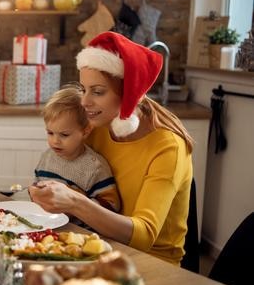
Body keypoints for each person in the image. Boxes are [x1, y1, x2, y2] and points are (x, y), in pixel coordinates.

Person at [29, 32, 193, 265]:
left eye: (97, 92)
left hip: (150, 263)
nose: (85, 102)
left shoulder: (168, 148)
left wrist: (75, 202)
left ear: (128, 93)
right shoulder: (98, 125)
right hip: (95, 246)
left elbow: (143, 237)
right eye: (84, 89)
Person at [35, 85, 120, 213]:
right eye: (50, 133)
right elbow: (37, 184)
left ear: (85, 132)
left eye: (64, 135)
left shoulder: (95, 168)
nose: (55, 141)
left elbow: (112, 206)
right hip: (47, 225)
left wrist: (75, 206)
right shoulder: (47, 156)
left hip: (79, 231)